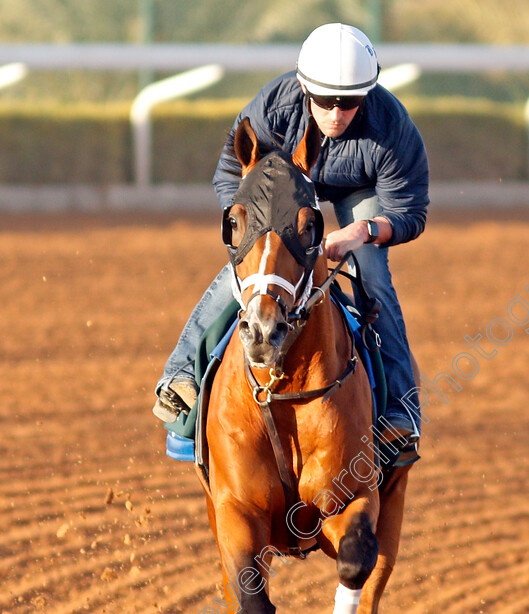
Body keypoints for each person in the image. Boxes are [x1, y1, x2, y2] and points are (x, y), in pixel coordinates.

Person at [154, 22, 429, 450]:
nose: (336, 114)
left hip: (360, 192)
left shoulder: (392, 126)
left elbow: (409, 212)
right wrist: (255, 232)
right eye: (324, 101)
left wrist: (360, 232)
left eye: (350, 102)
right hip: (284, 186)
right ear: (304, 88)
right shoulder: (274, 105)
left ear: (368, 93)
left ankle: (399, 408)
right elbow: (231, 173)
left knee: (372, 271)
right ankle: (181, 374)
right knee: (256, 270)